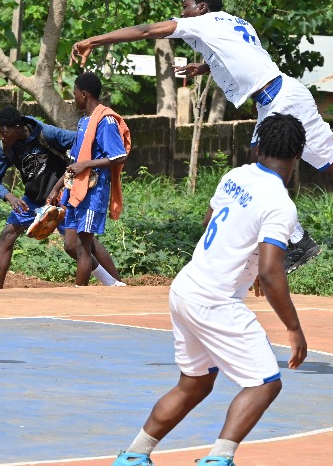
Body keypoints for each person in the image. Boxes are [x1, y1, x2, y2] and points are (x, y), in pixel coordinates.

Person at [71, 0, 333, 273]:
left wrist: (93, 40)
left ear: (201, 7)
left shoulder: (202, 22)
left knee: (260, 170)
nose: (181, 12)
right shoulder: (234, 23)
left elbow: (148, 30)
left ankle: (298, 241)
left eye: (185, 5)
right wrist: (205, 68)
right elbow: (245, 59)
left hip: (280, 101)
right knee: (332, 166)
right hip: (279, 95)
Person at [109, 114, 309, 466]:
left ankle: (133, 456)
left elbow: (210, 221)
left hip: (186, 288)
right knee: (265, 383)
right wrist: (294, 329)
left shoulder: (236, 176)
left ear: (257, 146)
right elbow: (271, 271)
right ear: (298, 154)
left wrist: (251, 255)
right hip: (215, 301)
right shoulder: (281, 204)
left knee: (194, 384)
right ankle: (218, 459)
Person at [0, 105, 126, 289]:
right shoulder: (5, 148)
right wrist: (10, 197)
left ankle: (116, 284)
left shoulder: (46, 134)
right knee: (7, 235)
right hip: (33, 199)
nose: (2, 137)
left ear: (18, 127)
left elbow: (81, 144)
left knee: (83, 244)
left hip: (61, 197)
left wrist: (78, 175)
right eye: (0, 133)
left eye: (5, 133)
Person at [48, 72, 130, 287]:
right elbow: (75, 161)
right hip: (75, 190)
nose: (73, 98)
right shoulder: (85, 122)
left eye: (74, 94)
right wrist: (57, 188)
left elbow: (119, 155)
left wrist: (87, 164)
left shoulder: (106, 121)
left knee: (84, 248)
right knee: (70, 245)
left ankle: (80, 293)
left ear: (84, 94)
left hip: (93, 192)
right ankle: (112, 283)